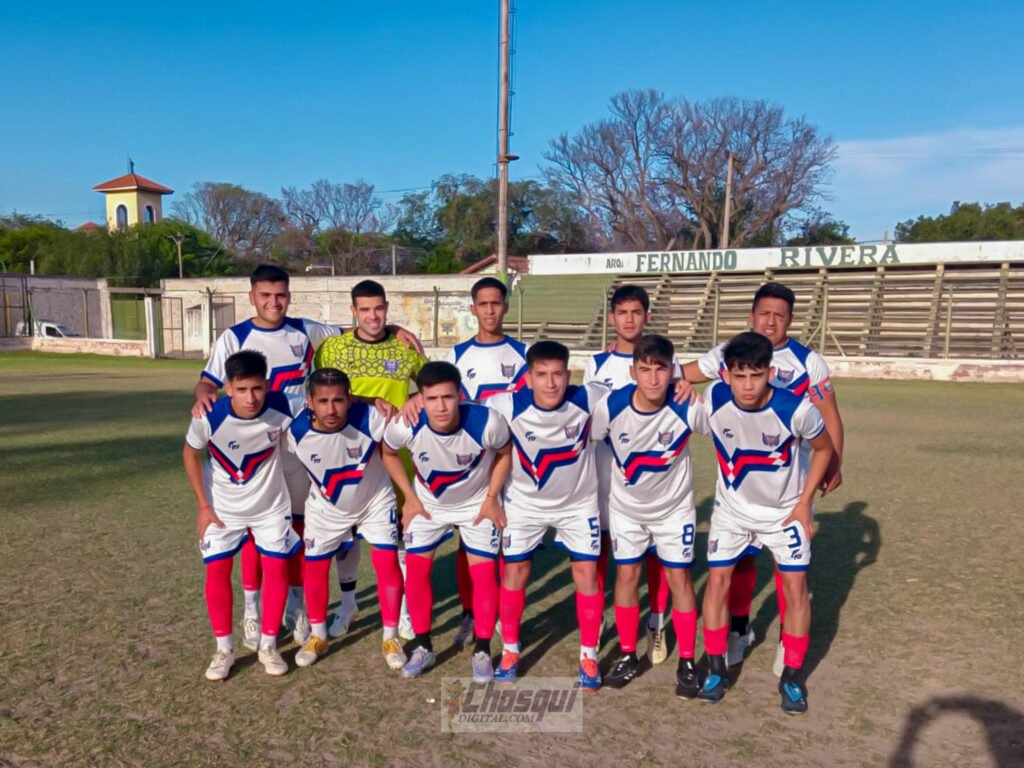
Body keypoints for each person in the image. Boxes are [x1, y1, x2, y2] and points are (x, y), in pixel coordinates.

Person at [191, 265, 418, 649]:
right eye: (265, 295)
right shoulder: (234, 337)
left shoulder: (306, 330)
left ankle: (296, 604)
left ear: (289, 296)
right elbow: (208, 381)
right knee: (252, 528)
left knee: (295, 525)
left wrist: (393, 328)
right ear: (252, 297)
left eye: (280, 295)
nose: (273, 302)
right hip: (257, 446)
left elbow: (358, 327)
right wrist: (202, 397)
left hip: (299, 444)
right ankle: (252, 611)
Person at [681, 281, 845, 674]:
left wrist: (835, 463)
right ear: (752, 315)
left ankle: (788, 641)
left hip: (788, 478)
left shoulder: (808, 362)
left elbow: (829, 415)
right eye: (764, 314)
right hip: (742, 482)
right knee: (739, 563)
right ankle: (739, 631)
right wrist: (673, 380)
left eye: (779, 315)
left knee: (789, 571)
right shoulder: (730, 352)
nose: (771, 321)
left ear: (790, 320)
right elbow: (682, 373)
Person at [693, 332, 834, 714]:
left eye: (756, 375)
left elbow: (824, 449)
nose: (747, 385)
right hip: (732, 511)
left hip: (784, 513)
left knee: (795, 589)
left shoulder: (797, 409)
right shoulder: (714, 398)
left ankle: (792, 678)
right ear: (725, 375)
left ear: (770, 373)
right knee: (717, 583)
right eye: (739, 376)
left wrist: (804, 503)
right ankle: (717, 669)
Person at [485, 341, 609, 691]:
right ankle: (510, 650)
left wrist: (678, 384)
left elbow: (641, 393)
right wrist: (415, 400)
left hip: (578, 505)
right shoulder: (505, 405)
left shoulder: (589, 397)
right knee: (515, 572)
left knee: (587, 575)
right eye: (542, 375)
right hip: (524, 505)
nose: (551, 383)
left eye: (557, 374)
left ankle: (588, 655)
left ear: (569, 375)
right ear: (528, 378)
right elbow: (458, 409)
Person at [589, 335, 704, 698]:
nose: (653, 379)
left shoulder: (687, 404)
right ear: (632, 372)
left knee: (679, 578)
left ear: (673, 370)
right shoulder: (612, 405)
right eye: (645, 369)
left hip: (674, 511)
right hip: (626, 510)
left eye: (661, 369)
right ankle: (627, 654)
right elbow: (591, 438)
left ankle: (687, 661)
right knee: (626, 576)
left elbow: (727, 423)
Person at [381, 362, 512, 681]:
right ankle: (423, 645)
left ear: (460, 395)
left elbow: (505, 453)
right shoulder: (406, 425)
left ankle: (483, 649)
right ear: (420, 399)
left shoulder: (487, 421)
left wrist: (492, 498)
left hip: (476, 506)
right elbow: (388, 452)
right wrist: (409, 498)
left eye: (448, 397)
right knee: (416, 572)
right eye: (432, 398)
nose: (441, 406)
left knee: (484, 575)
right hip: (427, 506)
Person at [314, 279, 429, 640]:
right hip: (346, 454)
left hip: (394, 455)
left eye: (379, 308)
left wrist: (417, 396)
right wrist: (365, 401)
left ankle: (404, 610)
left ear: (386, 308)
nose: (373, 316)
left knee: (401, 532)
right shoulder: (332, 348)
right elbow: (319, 391)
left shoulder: (405, 347)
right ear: (353, 311)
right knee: (346, 535)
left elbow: (430, 386)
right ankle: (349, 605)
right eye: (364, 309)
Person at [182, 350, 300, 680]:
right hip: (222, 510)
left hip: (270, 507)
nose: (251, 398)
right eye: (242, 389)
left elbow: (331, 398)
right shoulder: (208, 416)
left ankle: (268, 646)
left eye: (257, 388)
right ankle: (224, 650)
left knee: (276, 568)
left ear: (267, 384)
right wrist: (203, 507)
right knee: (217, 571)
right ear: (228, 388)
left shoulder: (286, 404)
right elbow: (190, 455)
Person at [584, 284, 685, 665]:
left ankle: (656, 621)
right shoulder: (597, 364)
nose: (629, 320)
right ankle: (601, 616)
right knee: (602, 546)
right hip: (608, 471)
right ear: (612, 318)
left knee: (655, 551)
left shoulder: (665, 359)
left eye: (636, 312)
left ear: (647, 316)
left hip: (654, 479)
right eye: (622, 312)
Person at [284, 368, 408, 671]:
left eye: (338, 400)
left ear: (350, 399)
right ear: (309, 402)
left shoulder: (372, 418)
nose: (331, 409)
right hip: (325, 508)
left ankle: (391, 637)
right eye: (323, 401)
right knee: (315, 566)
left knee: (387, 561)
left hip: (374, 502)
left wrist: (399, 401)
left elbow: (412, 419)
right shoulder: (294, 430)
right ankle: (318, 636)